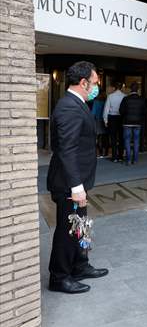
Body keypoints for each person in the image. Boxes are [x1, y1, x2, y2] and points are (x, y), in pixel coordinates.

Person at [47, 61, 109, 294]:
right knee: (67, 230)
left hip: (78, 183)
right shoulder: (68, 107)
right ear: (83, 83)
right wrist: (76, 186)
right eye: (94, 83)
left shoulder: (78, 104)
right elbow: (67, 149)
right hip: (69, 184)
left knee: (80, 226)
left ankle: (80, 264)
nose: (96, 87)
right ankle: (60, 276)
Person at [119, 82, 147, 165]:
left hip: (127, 123)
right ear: (137, 89)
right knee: (136, 141)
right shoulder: (142, 99)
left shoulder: (125, 99)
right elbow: (145, 112)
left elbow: (121, 111)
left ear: (130, 89)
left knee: (127, 141)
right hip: (138, 123)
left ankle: (128, 160)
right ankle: (135, 160)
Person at [103, 81, 126, 162]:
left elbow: (106, 109)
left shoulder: (110, 96)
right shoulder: (124, 96)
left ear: (114, 88)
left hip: (112, 118)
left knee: (113, 138)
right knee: (121, 138)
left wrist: (105, 120)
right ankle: (121, 156)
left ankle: (114, 157)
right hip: (121, 118)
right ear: (121, 88)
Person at [91, 89, 108, 158]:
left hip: (98, 120)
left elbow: (93, 113)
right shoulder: (106, 101)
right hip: (105, 120)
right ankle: (106, 152)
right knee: (106, 137)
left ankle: (100, 153)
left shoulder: (96, 102)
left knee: (98, 137)